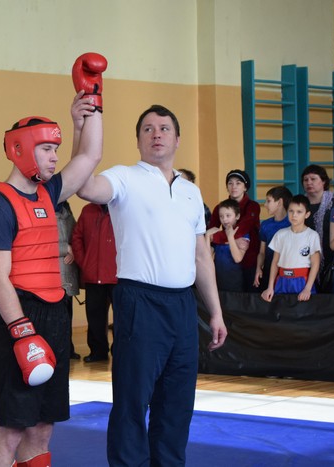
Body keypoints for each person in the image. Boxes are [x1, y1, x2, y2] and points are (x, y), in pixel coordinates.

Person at [76, 104, 227, 466]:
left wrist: (216, 312)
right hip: (139, 301)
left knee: (177, 403)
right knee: (132, 400)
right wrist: (82, 127)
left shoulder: (191, 191)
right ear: (138, 140)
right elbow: (84, 186)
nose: (156, 134)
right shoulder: (124, 177)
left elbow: (201, 257)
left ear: (177, 138)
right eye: (148, 129)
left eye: (164, 128)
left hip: (183, 305)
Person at [0, 52, 106, 467]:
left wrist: (92, 98)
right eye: (47, 149)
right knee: (11, 429)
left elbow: (89, 158)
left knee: (43, 426)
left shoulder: (48, 194)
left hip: (55, 312)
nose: (54, 157)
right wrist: (21, 331)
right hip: (19, 315)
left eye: (55, 149)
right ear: (21, 150)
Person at [71, 202, 117, 363]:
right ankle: (98, 351)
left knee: (122, 317)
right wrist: (84, 263)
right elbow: (76, 237)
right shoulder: (88, 210)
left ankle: (120, 351)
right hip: (93, 275)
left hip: (119, 276)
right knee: (94, 316)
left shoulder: (123, 208)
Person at [208, 169, 261, 292]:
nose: (234, 186)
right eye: (230, 183)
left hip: (249, 260)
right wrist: (230, 240)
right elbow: (211, 232)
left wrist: (218, 238)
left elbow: (240, 230)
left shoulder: (253, 206)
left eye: (238, 183)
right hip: (227, 263)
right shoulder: (219, 207)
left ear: (245, 187)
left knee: (249, 298)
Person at [261, 195, 321, 302]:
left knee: (302, 310)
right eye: (291, 211)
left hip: (302, 281)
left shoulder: (312, 235)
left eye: (299, 212)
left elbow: (315, 264)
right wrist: (270, 287)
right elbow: (275, 262)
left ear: (307, 214)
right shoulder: (280, 234)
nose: (294, 215)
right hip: (282, 280)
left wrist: (307, 288)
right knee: (280, 310)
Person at [301, 164, 334, 278]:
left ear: (324, 182)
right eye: (306, 180)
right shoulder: (300, 204)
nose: (309, 182)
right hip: (305, 259)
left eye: (313, 179)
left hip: (331, 259)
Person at [253, 186, 292, 291]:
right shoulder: (265, 225)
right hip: (268, 271)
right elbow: (262, 252)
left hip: (287, 273)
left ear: (279, 202)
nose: (265, 205)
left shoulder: (292, 224)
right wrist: (258, 268)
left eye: (268, 201)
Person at [206, 199, 250, 292]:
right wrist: (207, 236)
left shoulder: (243, 235)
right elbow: (207, 259)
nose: (224, 219)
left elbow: (238, 258)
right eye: (221, 216)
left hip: (235, 284)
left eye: (228, 215)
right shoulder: (218, 235)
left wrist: (230, 237)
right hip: (217, 282)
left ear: (237, 216)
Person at [55, 200, 80, 360]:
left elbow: (76, 236)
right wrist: (66, 248)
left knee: (67, 313)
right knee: (56, 315)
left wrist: (74, 251)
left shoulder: (68, 216)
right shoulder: (44, 214)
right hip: (53, 273)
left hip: (68, 272)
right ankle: (59, 349)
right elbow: (41, 242)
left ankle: (68, 348)